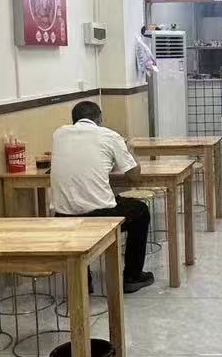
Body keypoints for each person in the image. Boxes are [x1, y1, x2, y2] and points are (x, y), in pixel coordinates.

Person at [49, 101, 154, 292]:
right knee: (140, 211)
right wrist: (128, 150)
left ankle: (84, 280)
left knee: (87, 203)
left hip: (62, 215)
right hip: (100, 217)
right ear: (99, 119)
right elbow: (134, 176)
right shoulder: (110, 135)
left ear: (74, 120)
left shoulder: (59, 134)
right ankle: (132, 276)